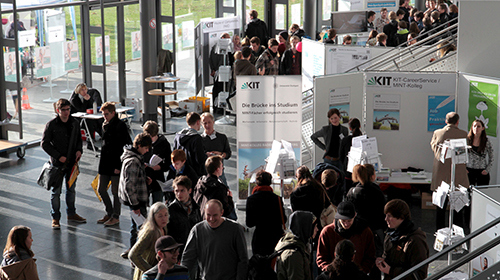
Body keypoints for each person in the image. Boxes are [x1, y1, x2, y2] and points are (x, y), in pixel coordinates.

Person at [41, 98, 86, 229]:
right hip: (57, 164)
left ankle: (71, 213)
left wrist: (79, 150)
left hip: (72, 162)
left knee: (71, 190)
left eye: (68, 110)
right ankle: (55, 218)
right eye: (63, 110)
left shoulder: (75, 123)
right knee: (56, 192)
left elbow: (78, 139)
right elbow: (44, 144)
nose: (66, 112)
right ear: (58, 110)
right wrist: (58, 156)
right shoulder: (51, 125)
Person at [181, 199, 248, 280]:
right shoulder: (197, 230)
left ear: (222, 212)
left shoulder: (235, 229)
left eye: (215, 215)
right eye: (208, 215)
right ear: (204, 212)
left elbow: (243, 259)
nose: (211, 219)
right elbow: (188, 259)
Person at [430, 112, 469, 230]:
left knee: (440, 206)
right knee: (458, 207)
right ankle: (457, 232)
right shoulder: (463, 134)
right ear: (457, 122)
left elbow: (433, 147)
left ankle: (440, 231)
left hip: (441, 175)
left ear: (446, 121)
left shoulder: (437, 133)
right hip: (458, 174)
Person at [97, 102, 132, 227]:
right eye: (103, 114)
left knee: (115, 191)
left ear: (113, 113)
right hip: (106, 162)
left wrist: (119, 165)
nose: (105, 116)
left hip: (115, 163)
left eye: (106, 114)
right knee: (101, 189)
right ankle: (110, 212)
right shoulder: (105, 124)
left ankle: (115, 215)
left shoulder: (120, 126)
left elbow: (125, 145)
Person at [118, 132, 153, 259]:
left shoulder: (134, 157)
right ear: (138, 146)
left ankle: (133, 249)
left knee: (136, 226)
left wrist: (144, 179)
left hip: (135, 199)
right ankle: (136, 252)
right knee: (140, 227)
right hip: (136, 200)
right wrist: (135, 205)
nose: (147, 150)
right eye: (145, 148)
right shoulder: (133, 161)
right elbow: (129, 185)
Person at [317, 201, 375, 274]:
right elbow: (321, 257)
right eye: (343, 220)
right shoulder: (327, 232)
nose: (346, 224)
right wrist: (331, 271)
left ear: (355, 215)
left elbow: (370, 256)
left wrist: (361, 272)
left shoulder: (365, 232)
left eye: (349, 220)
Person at [376, 199, 429, 280]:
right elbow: (389, 255)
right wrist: (382, 261)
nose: (386, 219)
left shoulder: (416, 240)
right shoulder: (390, 234)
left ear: (401, 217)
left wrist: (391, 271)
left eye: (389, 216)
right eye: (386, 215)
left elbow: (419, 274)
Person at [246, 170, 287, 256]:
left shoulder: (251, 199)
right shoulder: (277, 199)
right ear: (270, 182)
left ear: (257, 182)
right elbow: (284, 219)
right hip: (275, 238)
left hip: (260, 239)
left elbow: (249, 223)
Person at [129, 202, 169, 280]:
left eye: (166, 215)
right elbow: (133, 254)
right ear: (153, 217)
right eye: (160, 216)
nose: (164, 218)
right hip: (148, 273)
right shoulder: (151, 232)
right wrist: (151, 270)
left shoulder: (164, 228)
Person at [275, 211, 316, 280]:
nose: (317, 229)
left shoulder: (297, 244)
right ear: (306, 228)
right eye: (315, 227)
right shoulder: (293, 255)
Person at [167, 176, 202, 254]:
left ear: (189, 190)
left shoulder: (196, 207)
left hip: (195, 248)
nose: (179, 194)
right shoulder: (171, 210)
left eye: (182, 190)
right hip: (179, 250)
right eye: (176, 191)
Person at [143, 120, 172, 203]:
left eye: (152, 137)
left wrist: (159, 167)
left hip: (158, 179)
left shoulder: (164, 144)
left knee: (157, 204)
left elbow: (168, 163)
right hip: (145, 178)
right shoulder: (143, 141)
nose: (150, 140)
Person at [69, 83, 103, 150]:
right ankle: (90, 143)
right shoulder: (74, 99)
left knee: (99, 120)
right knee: (90, 123)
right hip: (77, 119)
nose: (84, 91)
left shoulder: (87, 96)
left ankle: (104, 136)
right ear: (78, 91)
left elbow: (92, 106)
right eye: (82, 90)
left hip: (86, 116)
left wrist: (90, 100)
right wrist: (86, 100)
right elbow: (82, 109)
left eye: (85, 89)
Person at [201, 112, 232, 186]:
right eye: (205, 123)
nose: (207, 125)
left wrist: (221, 154)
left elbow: (228, 153)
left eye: (209, 122)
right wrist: (206, 155)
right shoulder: (199, 139)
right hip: (205, 172)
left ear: (213, 122)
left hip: (219, 171)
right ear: (201, 124)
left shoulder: (222, 137)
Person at [173, 112, 207, 177]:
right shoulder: (197, 138)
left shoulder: (177, 136)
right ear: (197, 122)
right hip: (194, 173)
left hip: (181, 172)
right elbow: (200, 159)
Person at [209, 33, 234, 114]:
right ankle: (217, 108)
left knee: (224, 90)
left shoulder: (228, 48)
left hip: (225, 73)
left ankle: (223, 108)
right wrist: (214, 69)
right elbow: (212, 60)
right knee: (218, 89)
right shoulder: (216, 48)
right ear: (222, 38)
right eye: (227, 39)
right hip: (218, 73)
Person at [467, 120, 494, 186]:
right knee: (469, 193)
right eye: (474, 126)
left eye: (478, 126)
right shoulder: (467, 140)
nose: (476, 128)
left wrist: (487, 170)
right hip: (469, 171)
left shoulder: (486, 141)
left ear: (483, 128)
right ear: (472, 128)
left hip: (482, 172)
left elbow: (492, 157)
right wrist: (464, 169)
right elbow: (461, 155)